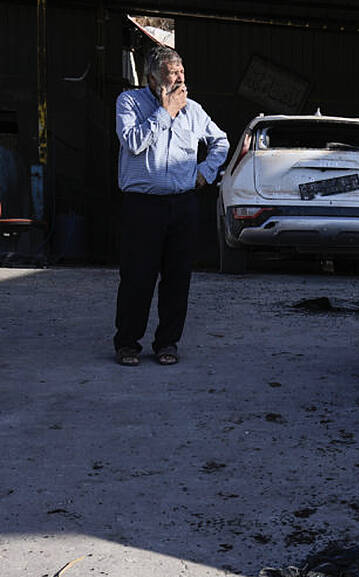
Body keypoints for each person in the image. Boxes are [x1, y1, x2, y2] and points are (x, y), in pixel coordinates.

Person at [113, 46, 227, 366]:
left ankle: (168, 343)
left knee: (177, 278)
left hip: (182, 204)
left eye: (181, 72)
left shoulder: (194, 110)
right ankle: (127, 344)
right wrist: (165, 112)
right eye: (171, 73)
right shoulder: (129, 102)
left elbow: (221, 141)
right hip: (143, 206)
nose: (178, 79)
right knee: (138, 276)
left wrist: (205, 172)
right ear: (152, 77)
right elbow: (133, 142)